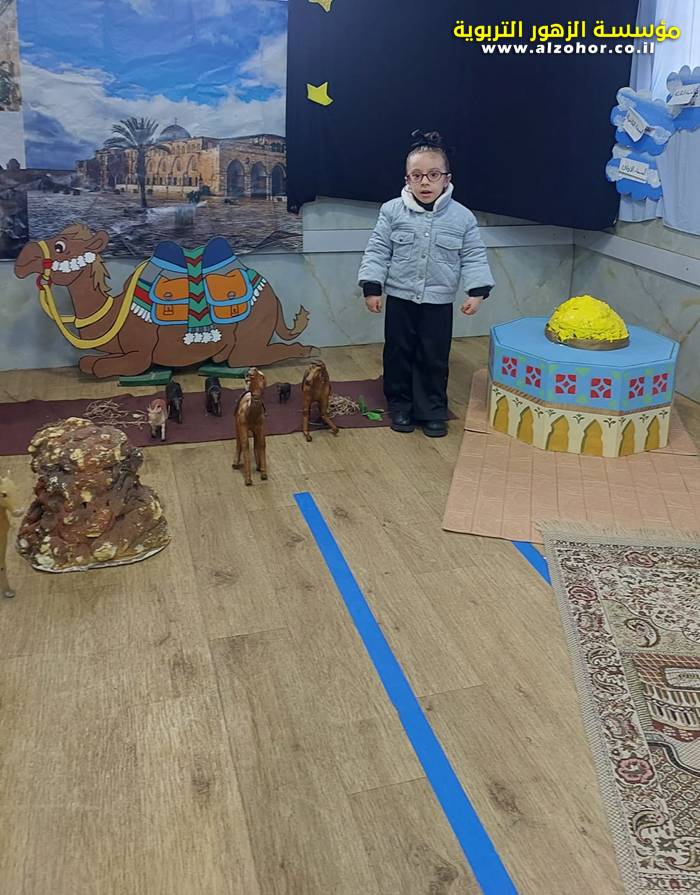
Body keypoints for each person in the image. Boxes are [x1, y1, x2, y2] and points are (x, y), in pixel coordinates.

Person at [357, 129, 494, 437]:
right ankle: (400, 405)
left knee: (433, 356)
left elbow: (474, 255)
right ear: (407, 179)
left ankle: (431, 409)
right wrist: (372, 286)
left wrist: (477, 291)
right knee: (398, 352)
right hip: (401, 299)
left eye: (433, 175)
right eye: (416, 176)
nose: (425, 182)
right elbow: (377, 250)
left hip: (438, 303)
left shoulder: (462, 218)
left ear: (446, 178)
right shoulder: (392, 211)